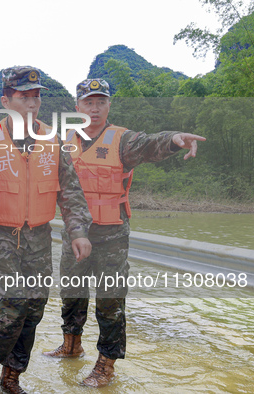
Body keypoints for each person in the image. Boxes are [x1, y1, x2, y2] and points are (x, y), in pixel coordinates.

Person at [42, 79, 206, 387]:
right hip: (75, 232)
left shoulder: (122, 140)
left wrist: (175, 139)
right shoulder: (64, 141)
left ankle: (106, 364)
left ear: (108, 106)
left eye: (100, 102)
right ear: (77, 107)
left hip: (111, 236)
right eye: (88, 102)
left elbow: (151, 144)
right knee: (71, 293)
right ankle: (71, 345)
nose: (94, 107)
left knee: (110, 301)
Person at [0, 66, 92, 394]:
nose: (31, 103)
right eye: (23, 96)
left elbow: (70, 191)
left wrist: (78, 231)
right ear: (6, 100)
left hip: (39, 238)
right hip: (1, 238)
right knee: (13, 307)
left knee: (33, 310)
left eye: (36, 96)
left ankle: (11, 379)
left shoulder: (52, 140)